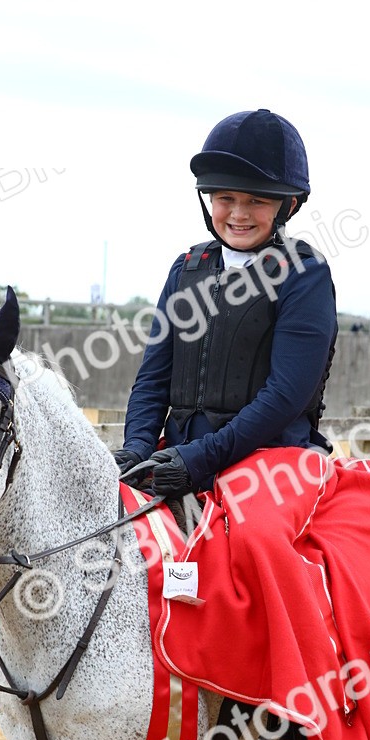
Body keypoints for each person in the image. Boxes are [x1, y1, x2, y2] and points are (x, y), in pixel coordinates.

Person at [114, 108, 338, 499]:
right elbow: (152, 379)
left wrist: (200, 457)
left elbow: (286, 394)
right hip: (179, 460)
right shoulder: (185, 270)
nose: (238, 213)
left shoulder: (305, 275)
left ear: (290, 205)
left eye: (257, 200)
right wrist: (137, 447)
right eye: (225, 198)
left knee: (256, 541)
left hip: (270, 463)